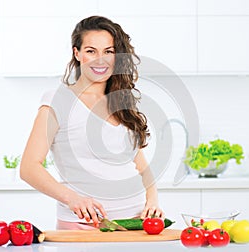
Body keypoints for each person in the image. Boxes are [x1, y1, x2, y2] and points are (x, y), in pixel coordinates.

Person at [20, 15, 164, 230]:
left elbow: (142, 168)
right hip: (83, 225)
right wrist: (73, 199)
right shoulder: (57, 101)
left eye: (109, 51)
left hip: (137, 224)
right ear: (77, 53)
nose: (100, 60)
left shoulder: (121, 102)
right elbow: (29, 167)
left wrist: (152, 201)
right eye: (91, 51)